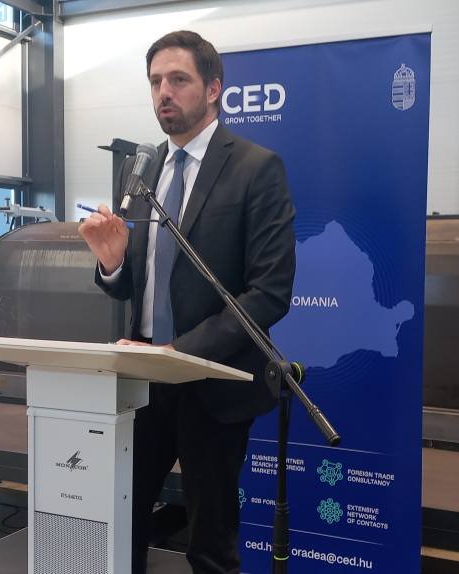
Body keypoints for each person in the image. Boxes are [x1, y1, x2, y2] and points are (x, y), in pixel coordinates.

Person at [78, 30, 296, 574]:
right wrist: (112, 264)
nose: (164, 93)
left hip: (213, 384)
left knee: (209, 543)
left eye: (178, 79)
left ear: (214, 88)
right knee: (120, 519)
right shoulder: (144, 170)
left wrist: (180, 352)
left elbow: (269, 293)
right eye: (155, 82)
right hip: (144, 381)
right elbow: (136, 283)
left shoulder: (256, 168)